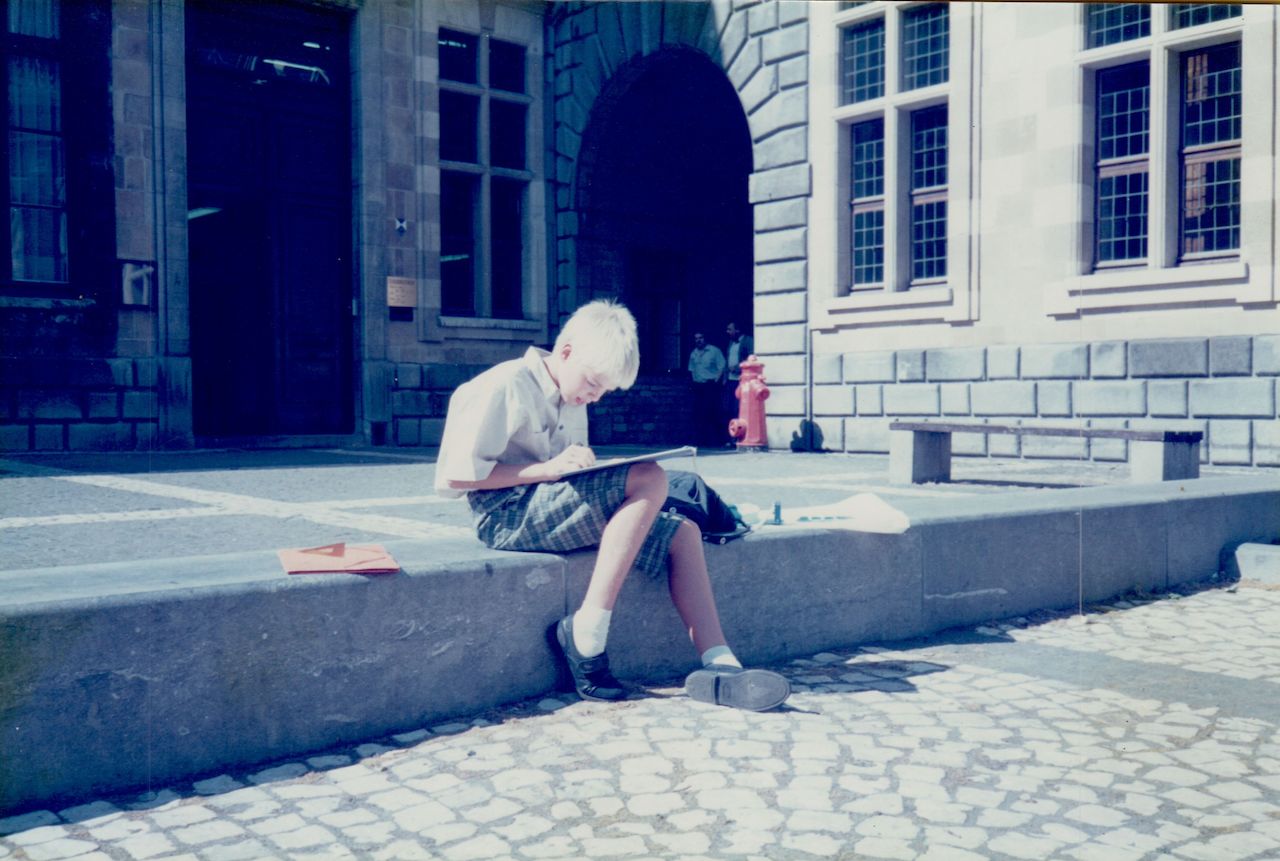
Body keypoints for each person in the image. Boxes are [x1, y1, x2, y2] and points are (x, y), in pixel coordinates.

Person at [433, 299, 789, 711]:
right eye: (593, 382)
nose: (595, 395)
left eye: (604, 389)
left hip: (547, 504)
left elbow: (560, 474)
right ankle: (588, 629)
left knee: (682, 531)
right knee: (649, 476)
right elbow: (456, 477)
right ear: (565, 353)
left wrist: (576, 467)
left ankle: (721, 663)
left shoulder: (572, 396)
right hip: (504, 515)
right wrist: (545, 469)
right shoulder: (502, 386)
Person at [686, 332, 726, 447]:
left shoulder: (714, 351)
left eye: (701, 338)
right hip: (698, 386)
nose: (698, 340)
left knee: (712, 412)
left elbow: (722, 366)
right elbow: (691, 369)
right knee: (698, 413)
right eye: (696, 338)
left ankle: (718, 441)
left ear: (705, 339)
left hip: (710, 385)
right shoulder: (693, 353)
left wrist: (716, 381)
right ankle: (700, 440)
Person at [723, 322, 756, 447]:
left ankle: (739, 438)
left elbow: (751, 357)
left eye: (729, 329)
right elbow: (727, 360)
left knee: (738, 409)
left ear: (737, 330)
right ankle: (731, 436)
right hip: (731, 380)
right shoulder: (731, 343)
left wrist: (737, 368)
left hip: (741, 380)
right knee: (728, 409)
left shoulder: (748, 341)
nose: (727, 332)